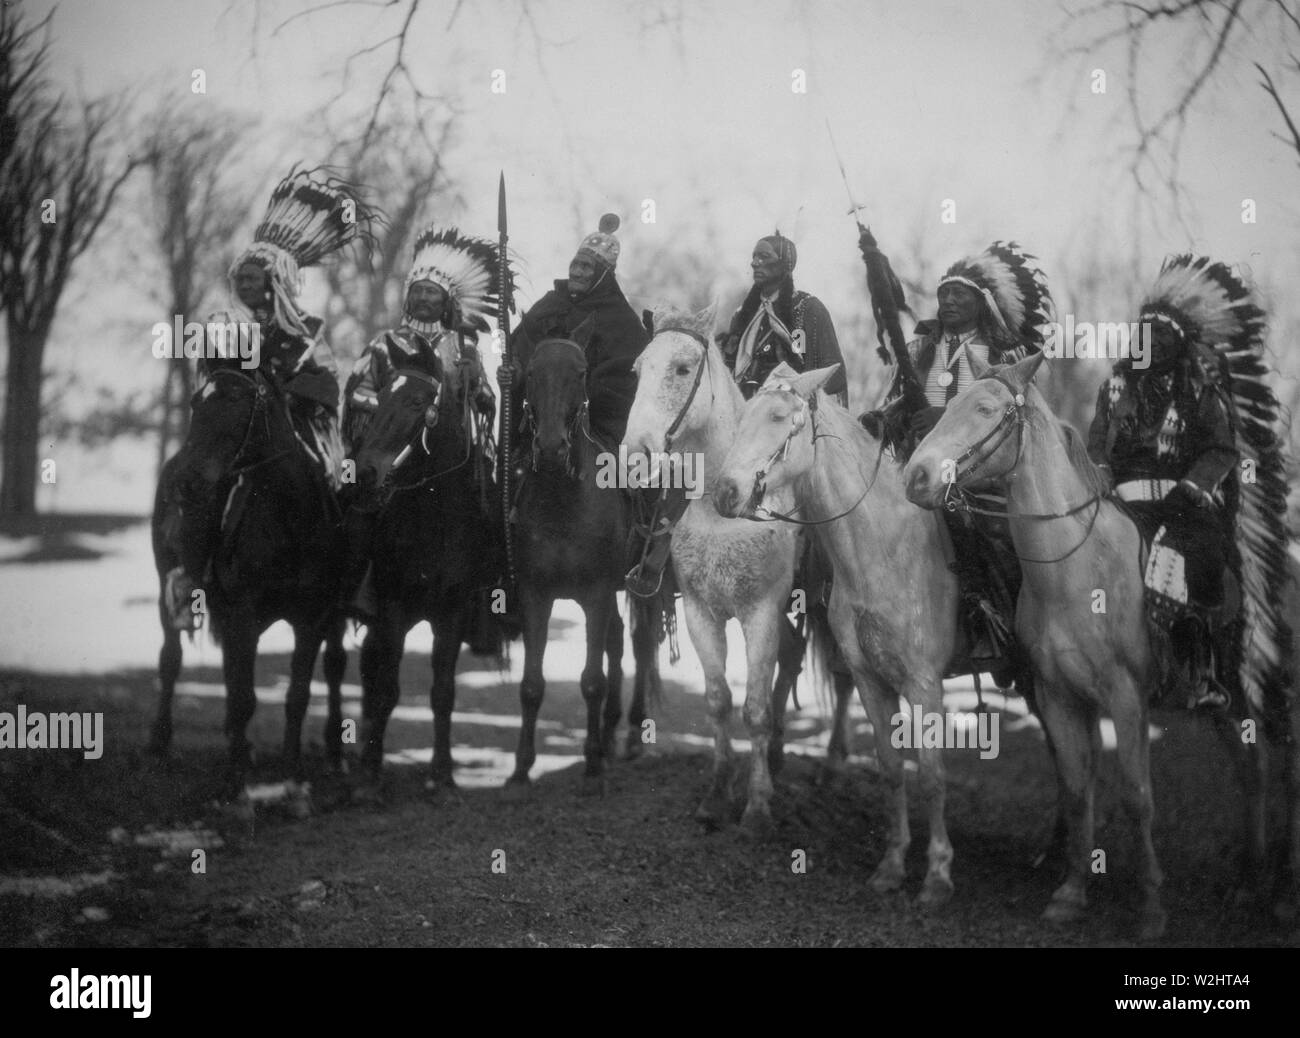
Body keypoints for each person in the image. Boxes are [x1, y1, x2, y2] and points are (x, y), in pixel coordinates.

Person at [163, 168, 375, 630]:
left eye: (255, 277)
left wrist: (285, 390)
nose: (245, 284)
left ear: (276, 281)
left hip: (298, 428)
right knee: (203, 487)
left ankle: (338, 586)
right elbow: (215, 375)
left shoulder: (308, 331)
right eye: (241, 276)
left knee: (341, 486)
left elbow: (325, 385)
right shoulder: (223, 323)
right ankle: (194, 582)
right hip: (234, 428)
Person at [1086, 255, 1283, 710]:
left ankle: (1200, 670)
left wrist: (1195, 486)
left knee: (1200, 559)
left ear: (1178, 344)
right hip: (1122, 506)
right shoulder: (1113, 389)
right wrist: (1100, 475)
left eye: (1159, 335)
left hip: (1184, 505)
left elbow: (1220, 448)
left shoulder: (1198, 391)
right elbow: (1098, 445)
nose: (1147, 342)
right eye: (1142, 334)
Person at [866, 241, 1055, 674]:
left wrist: (940, 417)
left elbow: (1022, 420)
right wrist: (883, 420)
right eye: (943, 293)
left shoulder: (1004, 355)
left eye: (960, 295)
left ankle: (993, 621)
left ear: (982, 303)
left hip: (979, 478)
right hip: (915, 469)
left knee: (979, 537)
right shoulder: (918, 351)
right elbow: (894, 400)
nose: (948, 301)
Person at [339, 227, 508, 628]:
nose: (425, 298)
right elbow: (358, 393)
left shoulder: (464, 348)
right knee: (357, 503)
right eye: (418, 290)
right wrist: (382, 420)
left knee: (490, 505)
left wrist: (477, 384)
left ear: (446, 300)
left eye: (433, 292)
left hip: (452, 453)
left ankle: (488, 599)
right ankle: (357, 588)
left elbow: (486, 403)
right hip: (394, 450)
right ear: (409, 297)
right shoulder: (385, 343)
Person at [495, 214, 648, 449]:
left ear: (603, 275)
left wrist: (578, 391)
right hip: (538, 422)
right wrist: (513, 372)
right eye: (574, 265)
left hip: (595, 430)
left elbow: (626, 383)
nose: (576, 272)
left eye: (586, 267)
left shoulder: (624, 322)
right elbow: (520, 351)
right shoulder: (550, 304)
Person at [719, 232, 847, 404]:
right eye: (754, 256)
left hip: (791, 415)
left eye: (764, 256)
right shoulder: (742, 315)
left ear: (784, 264)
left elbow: (834, 374)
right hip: (744, 410)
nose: (754, 263)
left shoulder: (807, 309)